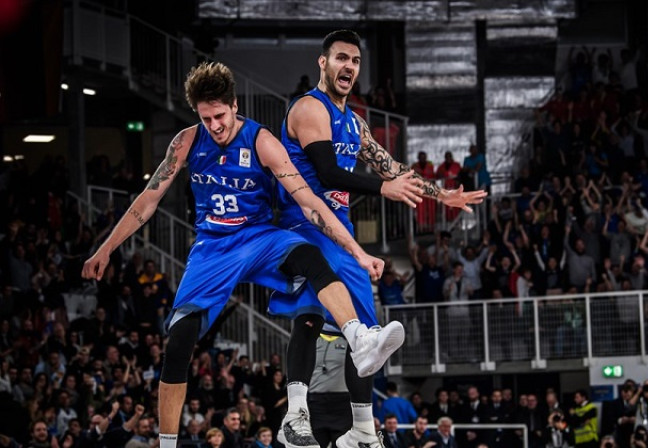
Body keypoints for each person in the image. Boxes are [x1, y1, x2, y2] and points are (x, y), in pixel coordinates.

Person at [81, 61, 400, 448]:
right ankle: (167, 444)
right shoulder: (185, 142)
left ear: (234, 106)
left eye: (219, 116)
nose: (214, 125)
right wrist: (105, 249)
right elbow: (147, 202)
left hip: (260, 237)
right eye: (205, 118)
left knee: (312, 257)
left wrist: (358, 253)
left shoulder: (262, 141)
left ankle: (359, 339)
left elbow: (311, 203)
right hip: (213, 247)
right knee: (179, 341)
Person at [271, 29, 485, 448]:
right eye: (341, 58)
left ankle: (363, 431)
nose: (349, 66)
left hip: (342, 231)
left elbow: (394, 168)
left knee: (368, 336)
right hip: (304, 224)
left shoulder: (355, 123)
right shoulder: (309, 110)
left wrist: (443, 195)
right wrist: (383, 189)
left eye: (355, 60)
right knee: (310, 319)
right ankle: (295, 416)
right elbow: (329, 173)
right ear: (323, 62)